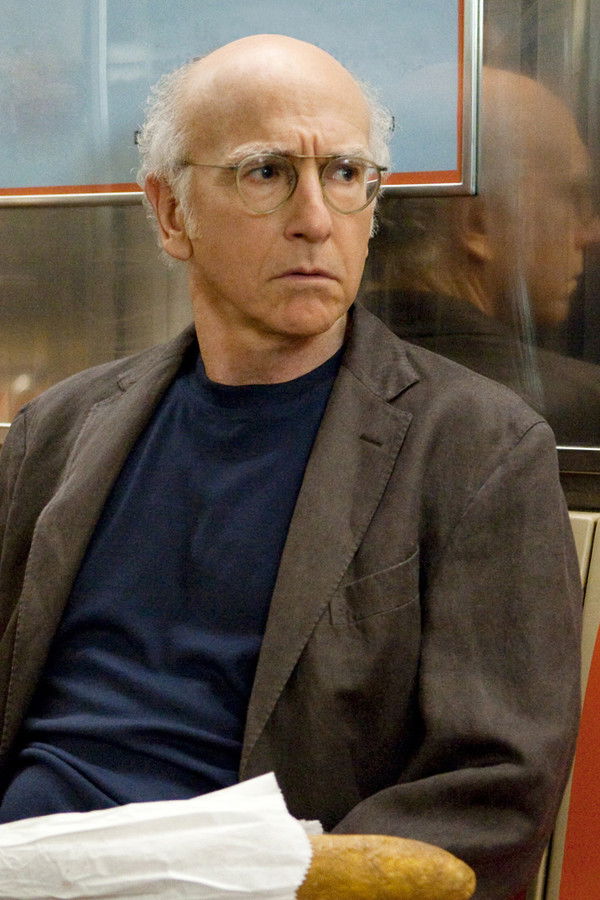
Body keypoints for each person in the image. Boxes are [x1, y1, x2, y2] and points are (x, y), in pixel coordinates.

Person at [0, 35, 581, 899]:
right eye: (267, 172)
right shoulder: (58, 432)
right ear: (171, 214)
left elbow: (493, 790)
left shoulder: (477, 449)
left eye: (345, 174)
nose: (315, 217)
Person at [362, 67, 600, 445]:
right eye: (573, 197)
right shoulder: (578, 411)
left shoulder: (322, 385)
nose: (591, 234)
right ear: (480, 223)